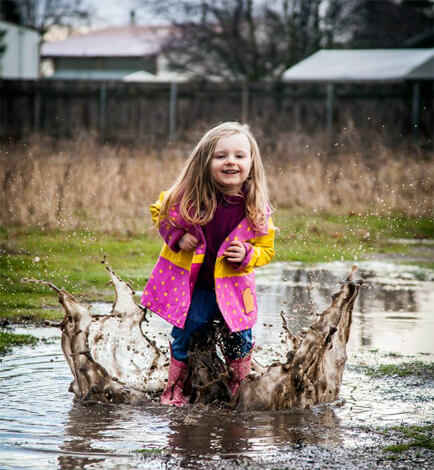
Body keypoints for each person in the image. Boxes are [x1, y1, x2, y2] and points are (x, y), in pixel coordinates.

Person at [141, 121, 275, 406]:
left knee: (240, 340)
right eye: (221, 156)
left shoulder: (255, 206)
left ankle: (238, 391)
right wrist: (176, 236)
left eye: (240, 156)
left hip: (236, 289)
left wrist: (249, 255)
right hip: (196, 288)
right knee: (187, 333)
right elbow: (158, 210)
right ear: (205, 161)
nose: (231, 162)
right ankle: (178, 390)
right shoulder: (189, 196)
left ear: (252, 162)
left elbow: (267, 249)